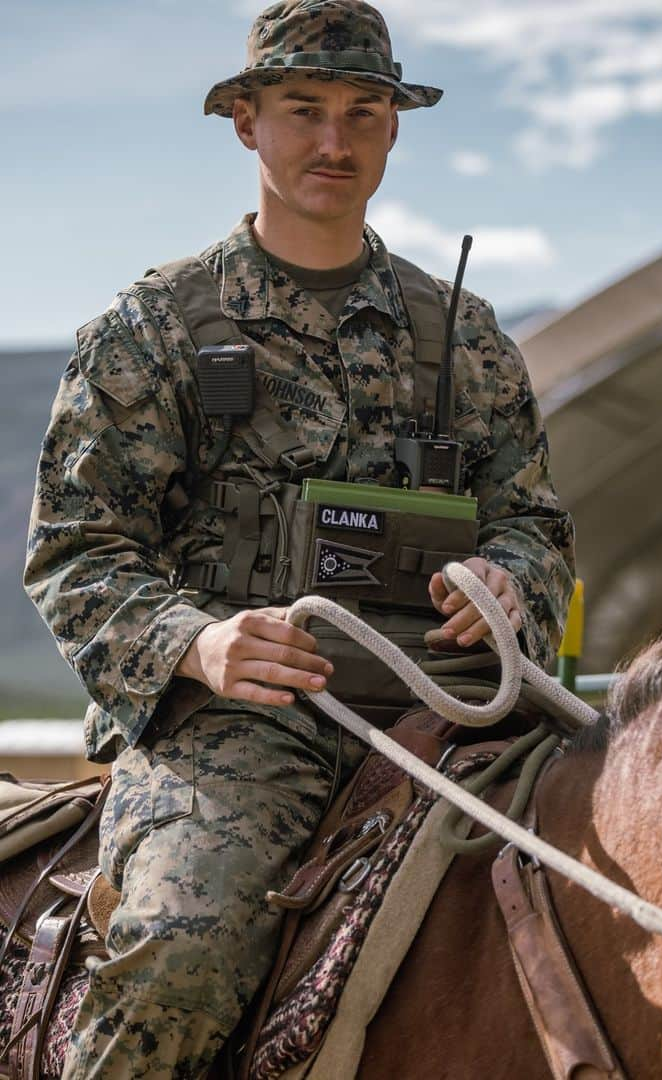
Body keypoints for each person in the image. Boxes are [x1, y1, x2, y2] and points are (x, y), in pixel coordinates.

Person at [23, 1, 575, 1075]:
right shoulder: (154, 332)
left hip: (451, 709)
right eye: (304, 110)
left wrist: (510, 582)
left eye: (363, 112)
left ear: (394, 128)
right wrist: (199, 642)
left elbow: (535, 524)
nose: (335, 142)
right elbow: (78, 551)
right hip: (239, 724)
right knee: (183, 952)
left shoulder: (462, 339)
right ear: (246, 124)